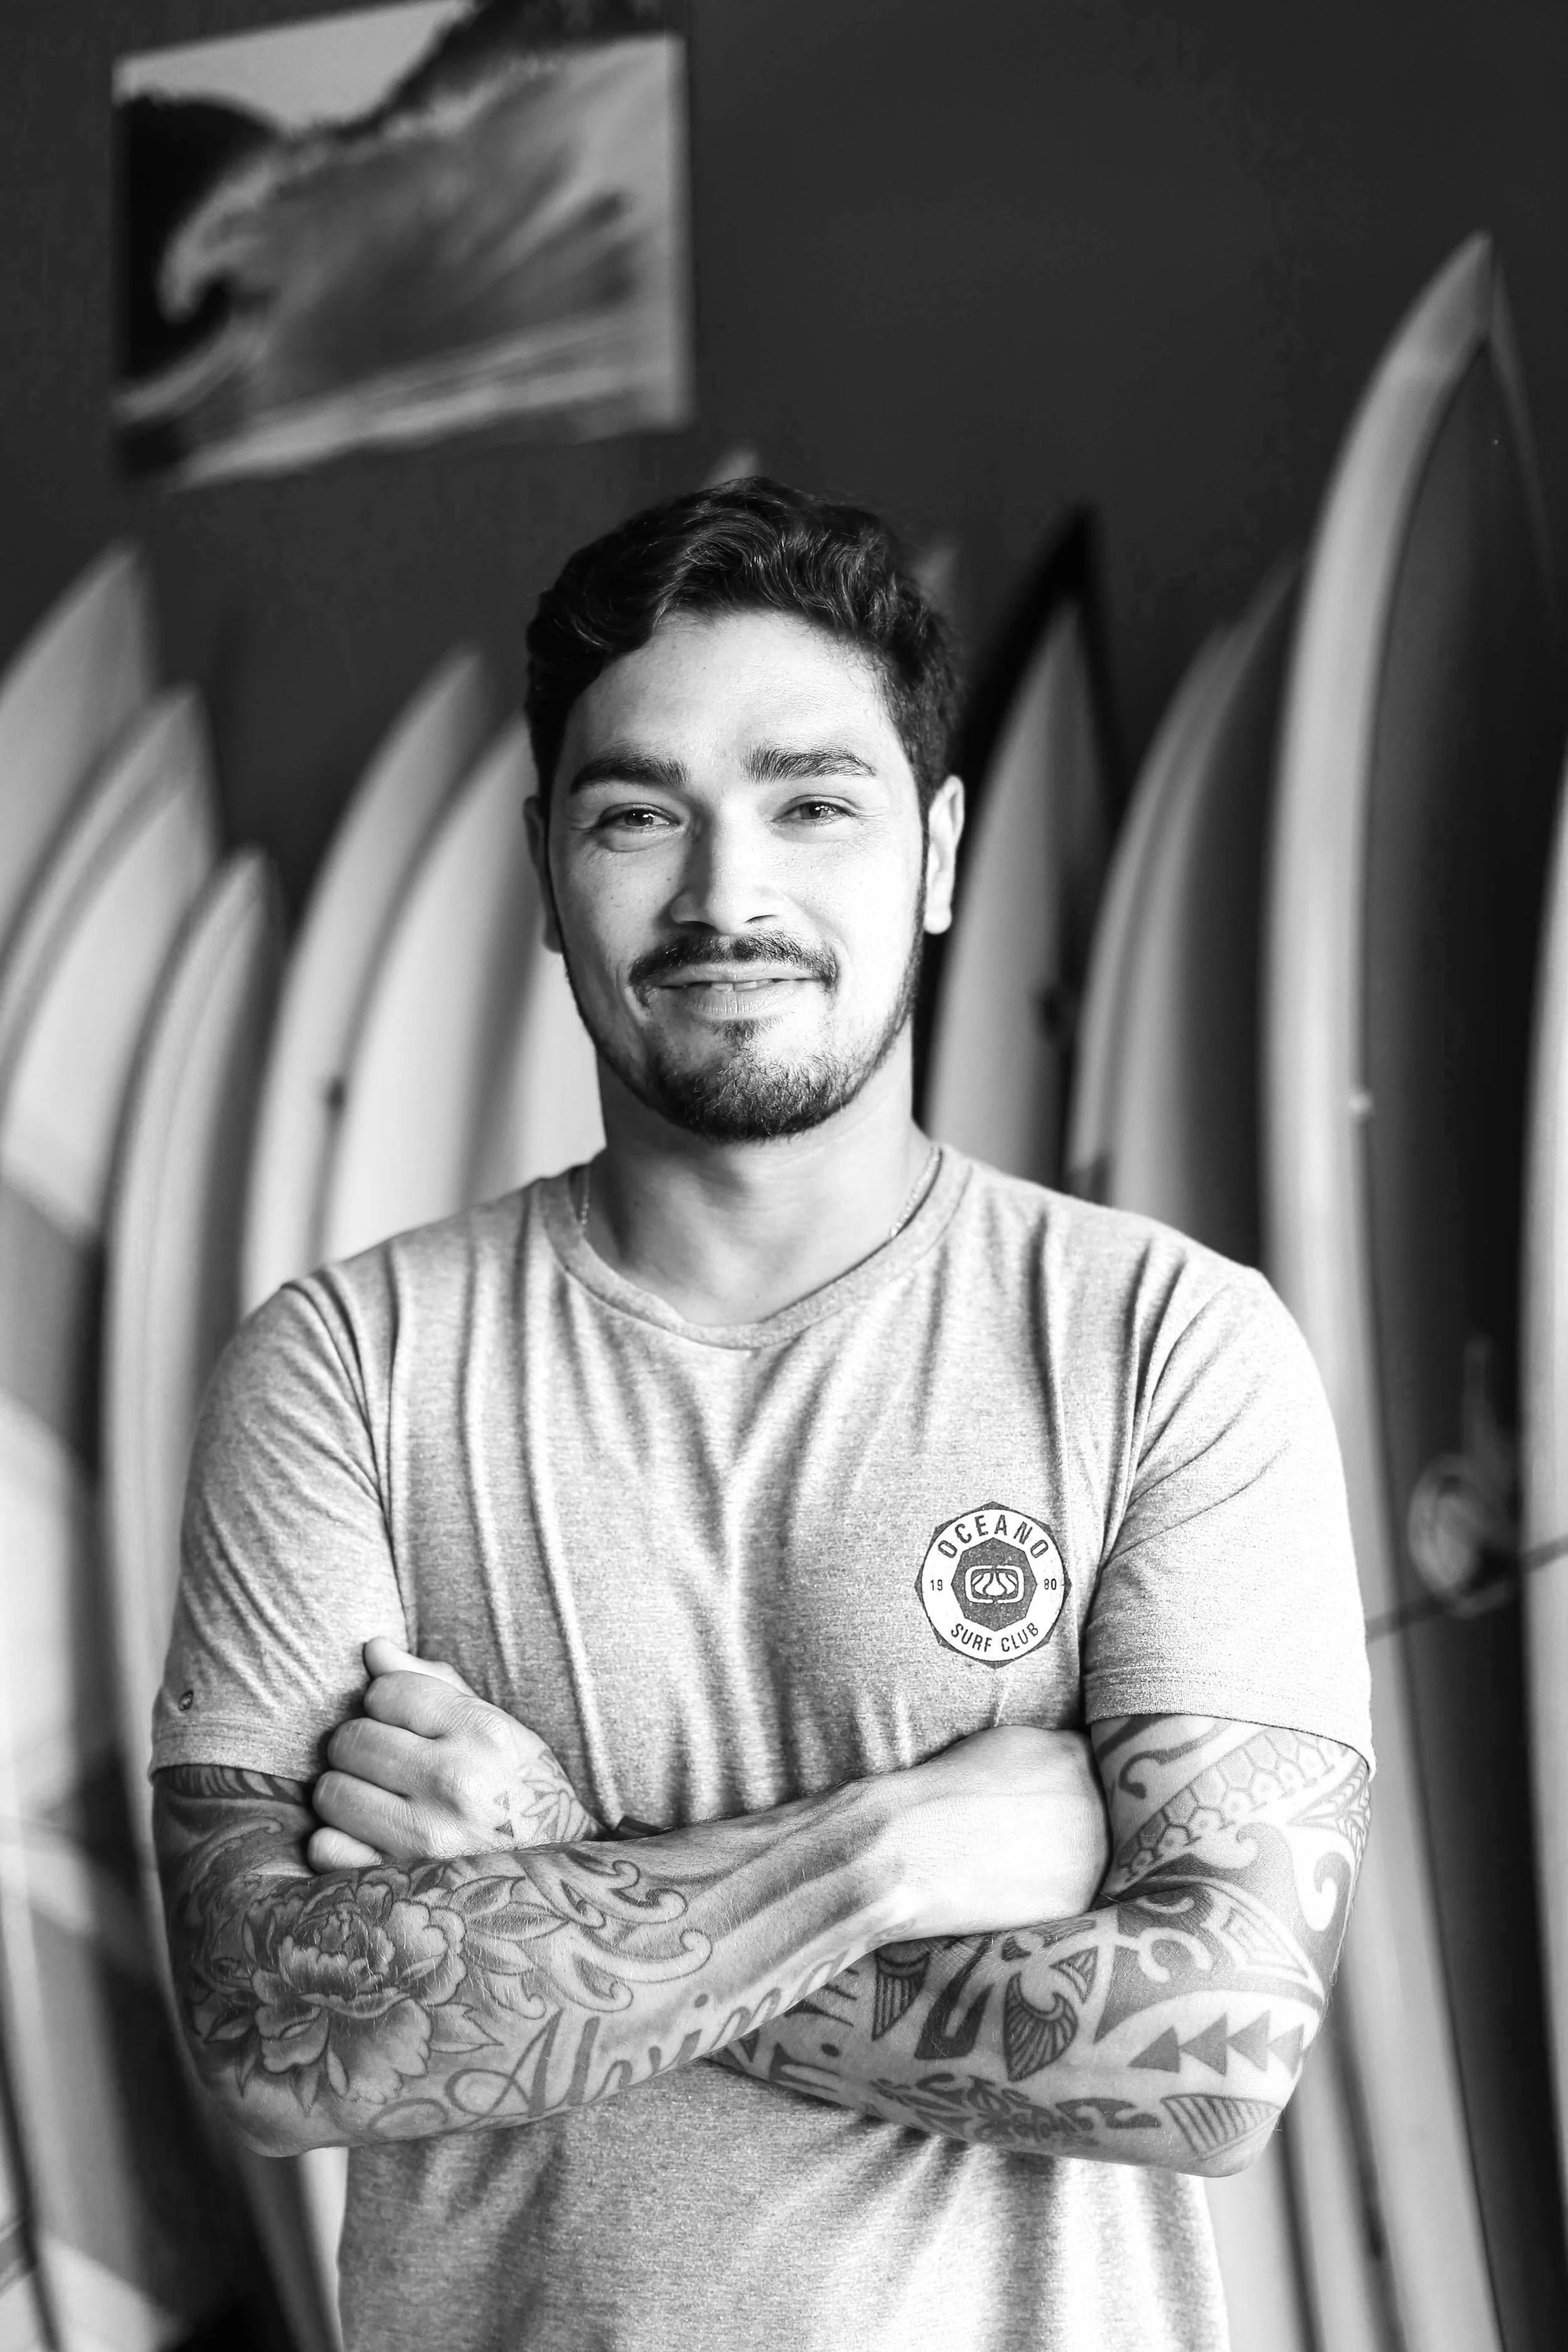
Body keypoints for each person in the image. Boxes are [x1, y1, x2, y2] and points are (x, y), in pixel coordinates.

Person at [152, 479, 1372, 2352]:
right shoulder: (346, 1371)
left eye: (812, 803)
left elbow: (1214, 2052)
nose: (726, 896)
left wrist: (549, 1870)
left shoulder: (1164, 1344)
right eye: (639, 814)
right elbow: (270, 2030)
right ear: (547, 868)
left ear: (939, 851)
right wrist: (885, 1856)